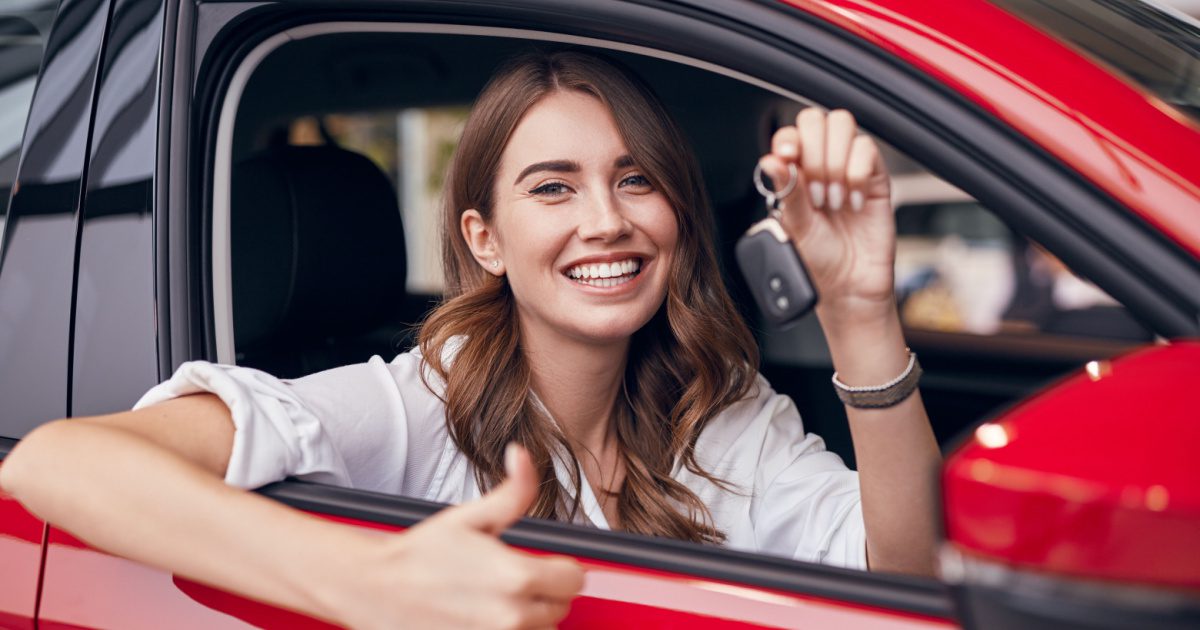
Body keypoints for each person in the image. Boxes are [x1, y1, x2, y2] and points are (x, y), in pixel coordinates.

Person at [0, 50, 940, 628]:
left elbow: (909, 578)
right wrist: (365, 582)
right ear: (483, 239)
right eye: (552, 187)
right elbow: (55, 464)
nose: (606, 220)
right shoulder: (414, 406)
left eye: (636, 178)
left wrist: (858, 310)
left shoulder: (721, 413)